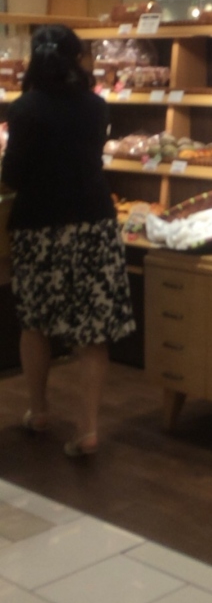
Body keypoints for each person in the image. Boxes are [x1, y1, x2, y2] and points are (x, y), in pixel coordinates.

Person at [0, 23, 134, 456]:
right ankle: (88, 429)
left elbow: (12, 174)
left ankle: (39, 411)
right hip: (93, 223)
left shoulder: (24, 109)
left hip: (39, 227)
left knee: (35, 322)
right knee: (92, 333)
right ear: (78, 59)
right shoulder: (96, 107)